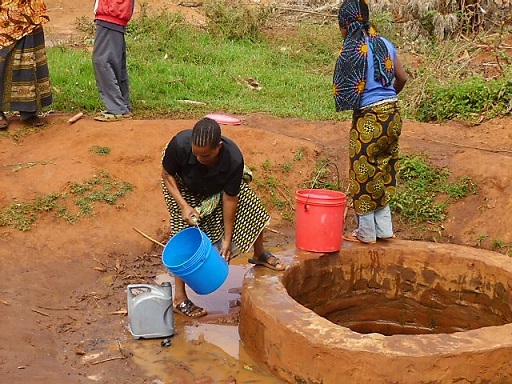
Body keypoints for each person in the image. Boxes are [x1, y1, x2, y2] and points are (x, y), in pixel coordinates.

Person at [161, 117, 285, 318]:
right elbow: (167, 175)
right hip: (182, 188)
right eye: (197, 154)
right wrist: (184, 206)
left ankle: (259, 254)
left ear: (219, 146)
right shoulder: (179, 146)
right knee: (185, 234)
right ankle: (180, 299)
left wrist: (227, 240)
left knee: (253, 207)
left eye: (206, 155)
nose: (200, 159)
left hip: (216, 187)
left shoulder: (233, 159)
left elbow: (230, 199)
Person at [333, 0, 407, 244]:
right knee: (383, 168)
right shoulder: (384, 43)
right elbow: (402, 77)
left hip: (370, 119)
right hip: (393, 115)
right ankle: (384, 230)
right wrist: (388, 97)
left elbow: (350, 92)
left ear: (346, 24)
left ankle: (365, 233)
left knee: (362, 172)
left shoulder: (352, 50)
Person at [0, 0, 53, 130]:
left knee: (28, 57)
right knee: (2, 58)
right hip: (4, 13)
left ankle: (28, 110)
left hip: (28, 9)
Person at [92, 0, 135, 122]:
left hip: (111, 12)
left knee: (101, 61)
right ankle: (123, 106)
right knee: (115, 62)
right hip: (116, 13)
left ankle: (117, 108)